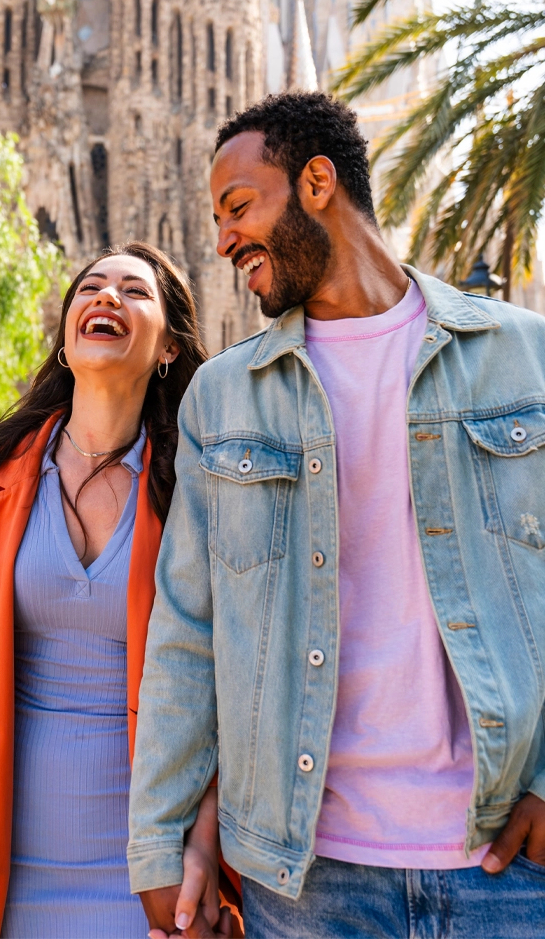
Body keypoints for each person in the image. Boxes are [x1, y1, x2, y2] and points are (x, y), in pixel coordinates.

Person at [128, 92, 545, 938]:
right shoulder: (224, 398)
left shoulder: (524, 357)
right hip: (309, 883)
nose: (223, 241)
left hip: (508, 872)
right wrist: (161, 843)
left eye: (238, 207)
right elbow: (188, 633)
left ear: (317, 183)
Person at [0, 243, 232, 939]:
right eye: (91, 287)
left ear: (169, 347)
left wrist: (206, 837)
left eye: (134, 292)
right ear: (66, 333)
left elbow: (231, 688)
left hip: (151, 867)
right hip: (2, 858)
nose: (107, 296)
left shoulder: (201, 494)